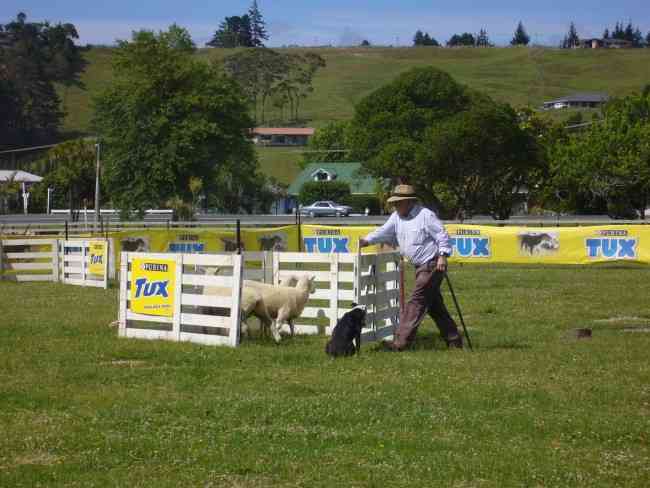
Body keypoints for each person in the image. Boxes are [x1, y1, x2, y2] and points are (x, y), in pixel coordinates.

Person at [359, 184, 463, 350]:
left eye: (398, 203)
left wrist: (443, 256)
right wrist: (367, 240)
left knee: (416, 301)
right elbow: (384, 231)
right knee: (435, 307)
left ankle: (401, 342)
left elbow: (442, 235)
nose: (395, 206)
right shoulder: (396, 216)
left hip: (432, 264)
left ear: (409, 202)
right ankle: (454, 340)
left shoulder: (425, 215)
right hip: (419, 266)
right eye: (395, 203)